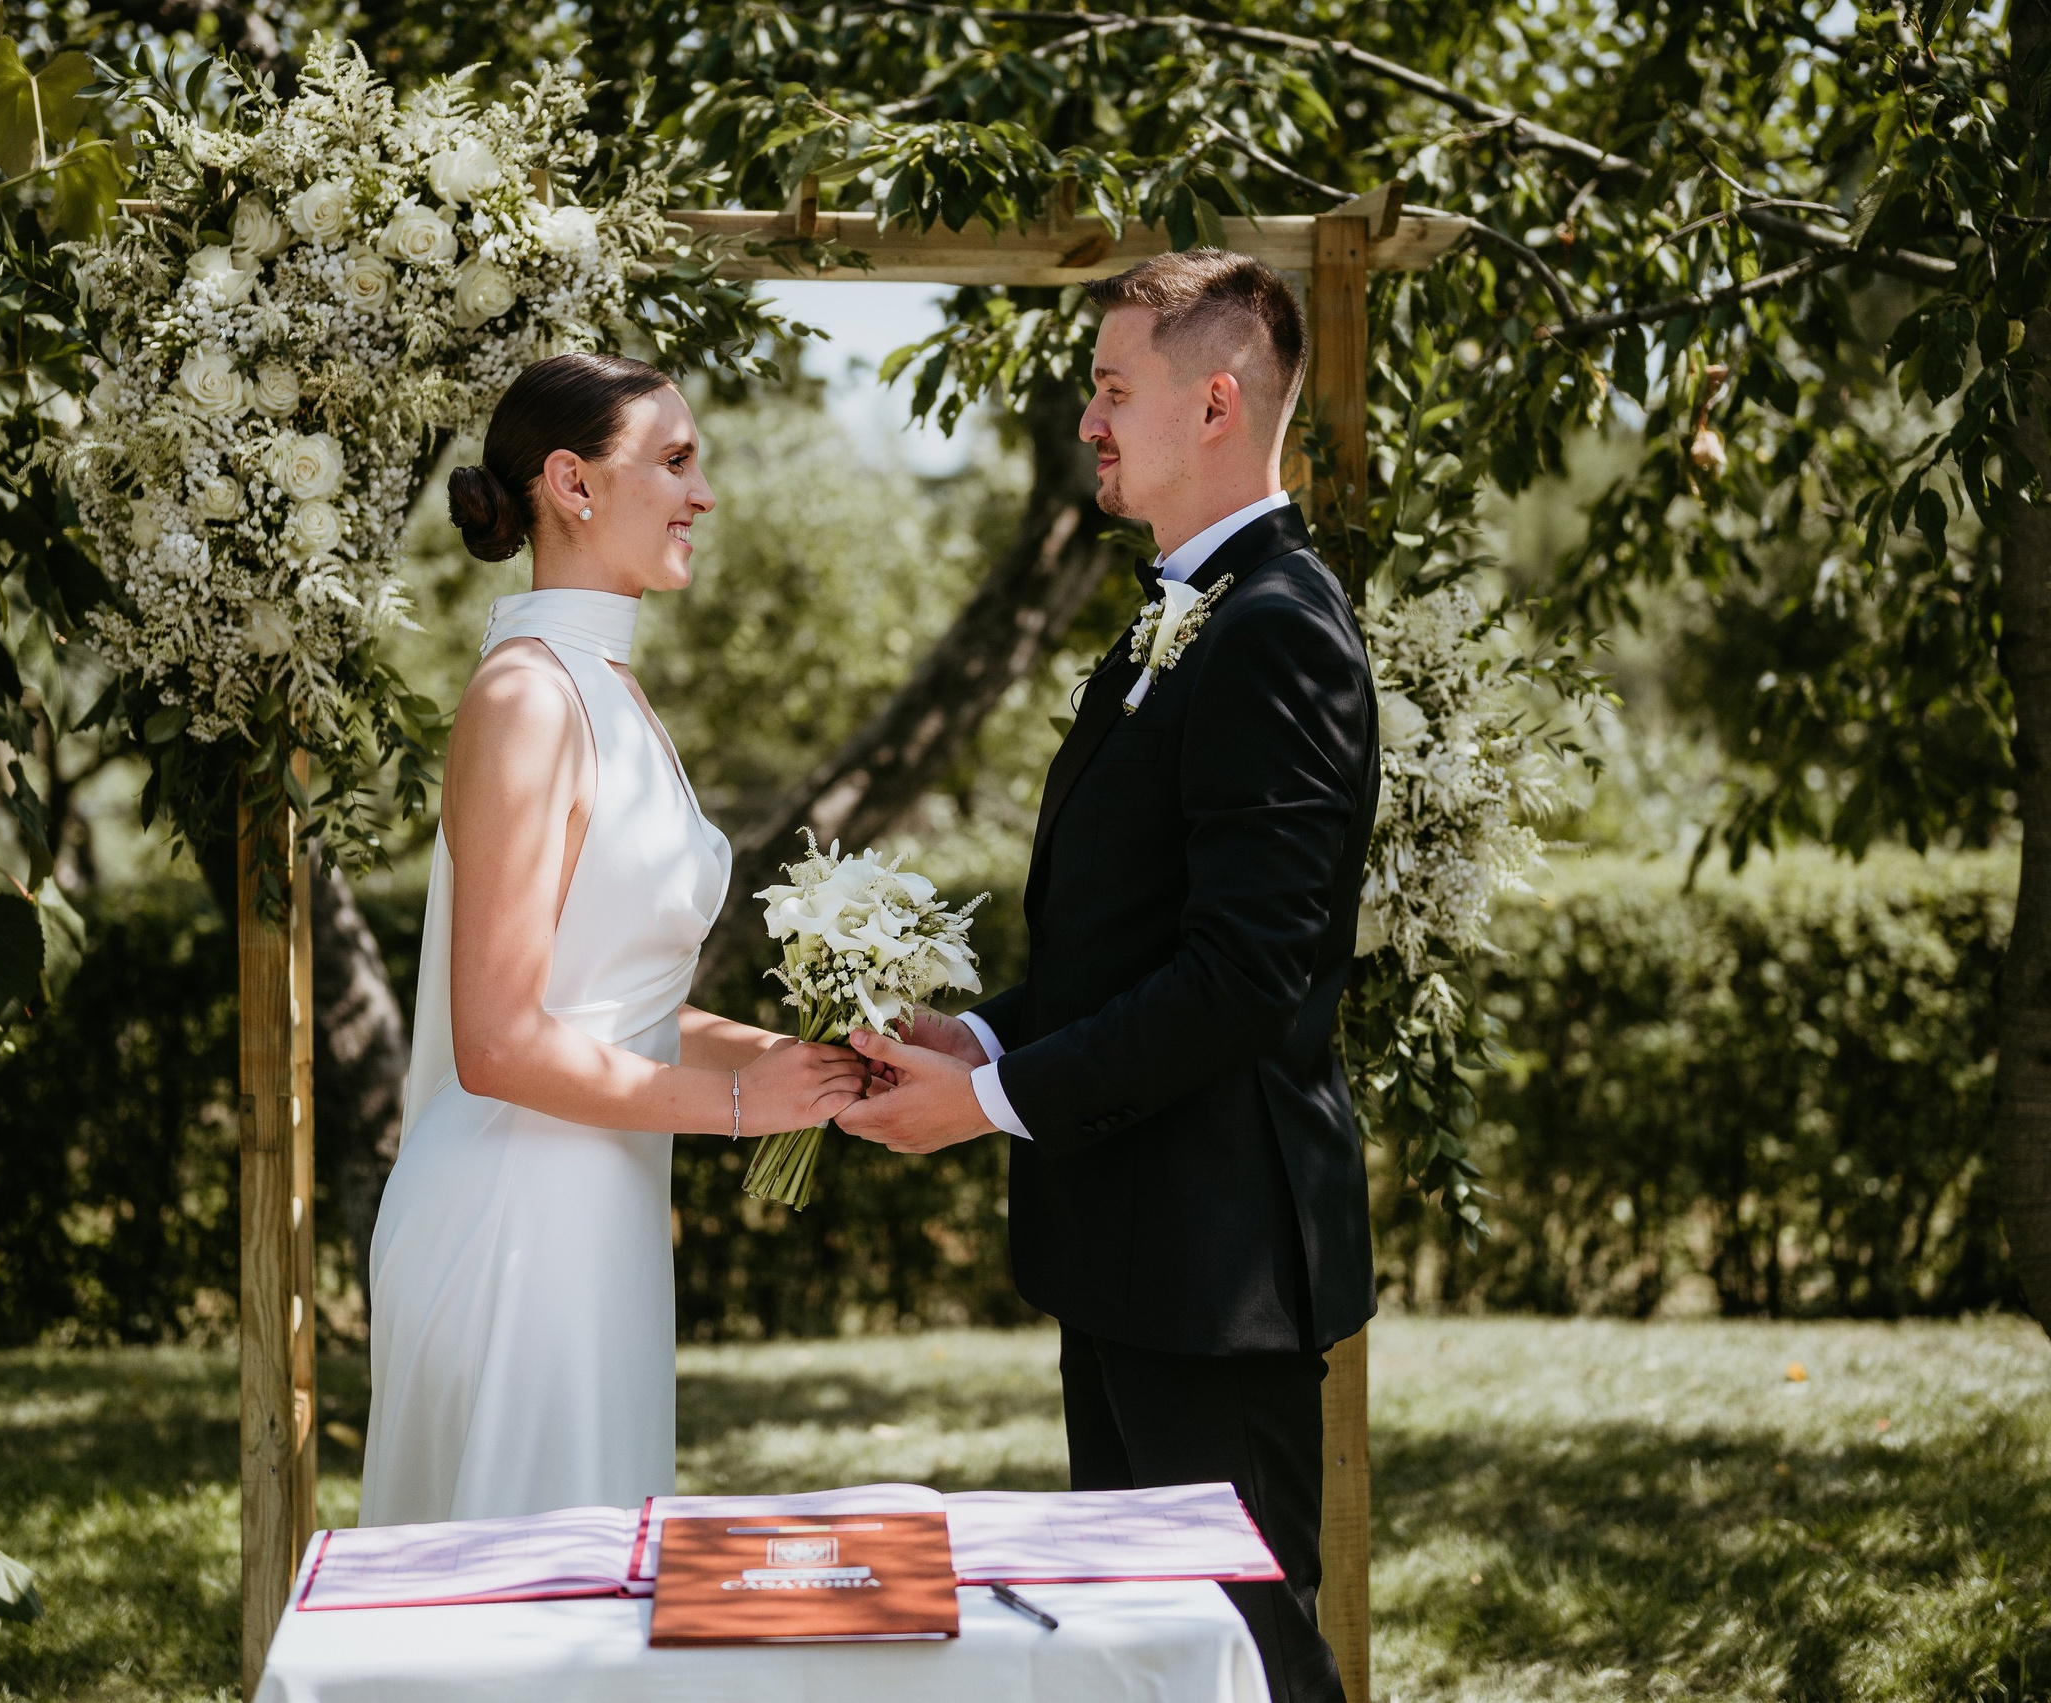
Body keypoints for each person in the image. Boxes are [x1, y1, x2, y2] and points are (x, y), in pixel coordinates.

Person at [836, 251, 1379, 1703]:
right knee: (1146, 1665)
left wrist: (997, 1098)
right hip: (1133, 1254)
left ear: (1213, 402)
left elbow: (1247, 976)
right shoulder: (1170, 619)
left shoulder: (1278, 632)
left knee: (1250, 1662)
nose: (1089, 419)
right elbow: (1128, 943)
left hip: (1218, 1270)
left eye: (1112, 388)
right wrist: (983, 1029)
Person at [359, 353, 867, 1527]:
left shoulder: (612, 692)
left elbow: (607, 1004)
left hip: (599, 1214)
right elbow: (495, 1041)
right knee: (522, 1618)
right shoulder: (528, 697)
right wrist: (745, 1109)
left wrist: (802, 1069)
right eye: (676, 463)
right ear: (572, 485)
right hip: (513, 1224)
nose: (703, 494)